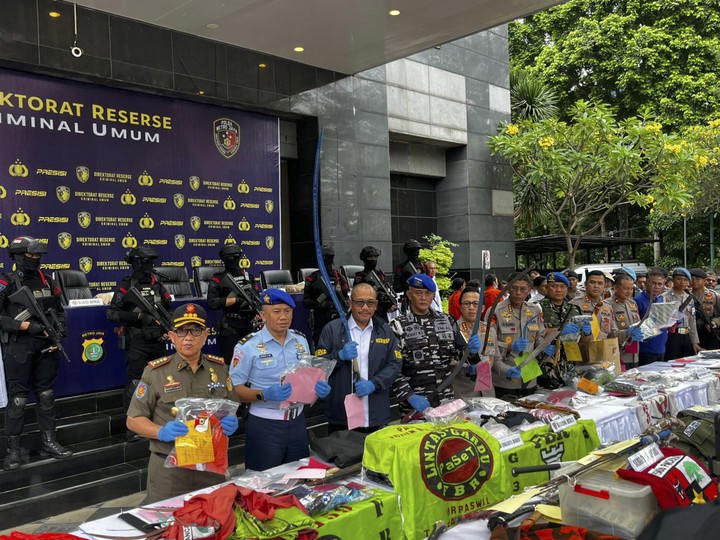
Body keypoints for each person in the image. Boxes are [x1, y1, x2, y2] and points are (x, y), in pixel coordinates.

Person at [126, 303, 239, 503]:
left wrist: (231, 421)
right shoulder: (156, 372)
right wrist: (161, 431)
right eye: (181, 331)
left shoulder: (220, 369)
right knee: (166, 520)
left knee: (214, 516)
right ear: (171, 336)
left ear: (205, 335)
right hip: (169, 469)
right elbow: (134, 419)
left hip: (210, 466)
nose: (188, 337)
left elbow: (231, 407)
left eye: (195, 331)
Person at [230, 289, 330, 471]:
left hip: (297, 422)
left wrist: (318, 388)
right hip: (265, 425)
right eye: (276, 311)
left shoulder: (301, 340)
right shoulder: (248, 346)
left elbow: (307, 378)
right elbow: (233, 390)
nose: (283, 316)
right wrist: (263, 394)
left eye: (287, 311)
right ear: (263, 315)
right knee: (263, 482)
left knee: (298, 478)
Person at [1, 236, 72, 470]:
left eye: (38, 255)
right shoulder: (6, 282)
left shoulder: (47, 280)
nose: (35, 259)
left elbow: (58, 309)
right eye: (30, 255)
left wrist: (60, 328)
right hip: (19, 346)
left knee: (46, 395)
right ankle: (13, 451)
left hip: (46, 344)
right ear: (18, 256)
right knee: (18, 400)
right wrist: (25, 326)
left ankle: (49, 442)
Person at [315, 283, 403, 432]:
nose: (365, 307)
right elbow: (318, 365)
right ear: (350, 303)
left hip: (376, 415)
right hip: (342, 416)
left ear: (376, 305)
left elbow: (395, 364)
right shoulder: (332, 329)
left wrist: (374, 384)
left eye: (370, 303)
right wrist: (339, 356)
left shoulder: (385, 330)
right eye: (360, 302)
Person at [107, 247, 172, 421]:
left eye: (151, 262)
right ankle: (133, 423)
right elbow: (112, 314)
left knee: (161, 382)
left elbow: (168, 309)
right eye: (145, 262)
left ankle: (158, 419)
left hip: (158, 340)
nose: (149, 266)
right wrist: (139, 317)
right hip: (137, 341)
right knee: (135, 384)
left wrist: (167, 329)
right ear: (136, 263)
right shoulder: (126, 285)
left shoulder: (157, 284)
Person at [390, 274, 462, 413]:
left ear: (433, 296)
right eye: (418, 293)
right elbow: (391, 367)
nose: (423, 297)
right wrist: (409, 395)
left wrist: (471, 351)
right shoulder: (397, 326)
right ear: (409, 295)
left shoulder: (447, 321)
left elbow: (461, 355)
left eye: (428, 293)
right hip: (415, 406)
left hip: (446, 402)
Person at [486, 274, 548, 398]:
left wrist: (545, 345)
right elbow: (488, 344)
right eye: (514, 288)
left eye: (523, 289)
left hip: (530, 375)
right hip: (505, 377)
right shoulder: (496, 311)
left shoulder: (535, 310)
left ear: (529, 289)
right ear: (508, 288)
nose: (518, 293)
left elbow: (539, 337)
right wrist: (509, 347)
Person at [206, 244, 260, 364]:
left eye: (235, 256)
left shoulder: (248, 277)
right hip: (230, 327)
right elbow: (212, 302)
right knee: (231, 363)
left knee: (252, 362)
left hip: (249, 325)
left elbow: (257, 297)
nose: (233, 260)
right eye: (229, 257)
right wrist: (235, 300)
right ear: (223, 259)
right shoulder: (218, 279)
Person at [453, 286, 499, 398]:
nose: (471, 307)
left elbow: (496, 359)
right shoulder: (453, 330)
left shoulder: (489, 329)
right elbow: (448, 363)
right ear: (460, 307)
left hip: (487, 394)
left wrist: (508, 370)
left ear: (482, 308)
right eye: (466, 303)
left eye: (475, 304)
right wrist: (466, 367)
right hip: (464, 395)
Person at [303, 245, 349, 347]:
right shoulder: (313, 278)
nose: (329, 260)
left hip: (338, 319)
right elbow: (306, 301)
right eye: (327, 257)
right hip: (321, 319)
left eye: (331, 257)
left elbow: (346, 298)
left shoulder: (339, 277)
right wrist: (321, 304)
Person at [606, 272, 644, 370]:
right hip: (618, 355)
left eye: (631, 289)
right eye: (626, 288)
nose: (629, 292)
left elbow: (639, 325)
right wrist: (627, 333)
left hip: (634, 354)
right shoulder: (607, 305)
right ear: (616, 288)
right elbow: (608, 333)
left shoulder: (632, 303)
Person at [663, 267, 701, 360]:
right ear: (673, 280)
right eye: (679, 279)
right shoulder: (665, 297)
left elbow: (692, 321)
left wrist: (694, 342)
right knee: (672, 362)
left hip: (686, 336)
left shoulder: (689, 298)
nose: (682, 282)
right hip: (672, 337)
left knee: (687, 362)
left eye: (685, 280)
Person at [635, 267, 669, 366]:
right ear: (647, 283)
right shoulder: (638, 300)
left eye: (660, 284)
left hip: (661, 348)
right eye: (653, 283)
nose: (656, 287)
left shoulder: (661, 300)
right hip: (645, 349)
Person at [353, 246, 397, 321]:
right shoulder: (361, 276)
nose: (373, 260)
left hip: (382, 312)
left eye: (375, 257)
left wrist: (390, 303)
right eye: (370, 258)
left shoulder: (380, 274)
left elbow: (385, 290)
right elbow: (357, 294)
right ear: (364, 259)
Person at [570, 270, 617, 339]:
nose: (596, 286)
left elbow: (613, 333)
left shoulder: (608, 307)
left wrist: (626, 332)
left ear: (604, 286)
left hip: (604, 345)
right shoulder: (574, 304)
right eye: (592, 282)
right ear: (585, 284)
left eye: (600, 283)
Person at [690, 268, 720, 350]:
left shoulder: (714, 296)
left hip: (709, 332)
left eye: (697, 279)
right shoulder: (686, 295)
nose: (694, 281)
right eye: (692, 279)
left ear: (704, 281)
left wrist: (715, 322)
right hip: (692, 332)